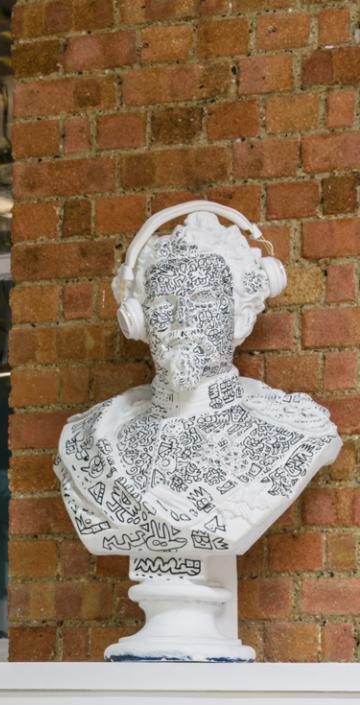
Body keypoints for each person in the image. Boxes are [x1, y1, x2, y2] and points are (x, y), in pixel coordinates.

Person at [56, 209, 341, 563]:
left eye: (203, 300)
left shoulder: (292, 433)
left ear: (238, 316)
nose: (182, 321)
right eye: (163, 304)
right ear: (139, 321)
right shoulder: (92, 435)